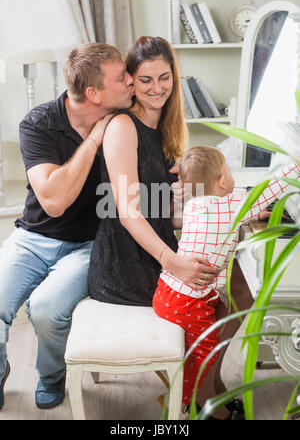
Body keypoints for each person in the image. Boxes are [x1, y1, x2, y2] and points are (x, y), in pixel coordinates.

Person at [0, 42, 135, 411]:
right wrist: (92, 139)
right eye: (121, 77)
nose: (131, 80)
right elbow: (54, 201)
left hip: (89, 244)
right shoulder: (38, 123)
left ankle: (51, 374)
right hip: (32, 237)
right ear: (94, 94)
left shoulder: (126, 123)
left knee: (45, 309)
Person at [153, 145, 300, 419]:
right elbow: (272, 189)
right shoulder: (234, 206)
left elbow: (230, 214)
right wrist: (297, 164)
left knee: (205, 350)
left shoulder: (197, 204)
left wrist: (253, 212)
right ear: (222, 181)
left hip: (169, 292)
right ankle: (203, 405)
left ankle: (207, 392)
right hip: (188, 303)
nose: (231, 176)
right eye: (229, 172)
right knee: (204, 356)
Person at [88, 36, 219, 310]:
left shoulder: (168, 134)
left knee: (236, 285)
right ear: (131, 82)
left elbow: (169, 218)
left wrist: (185, 198)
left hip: (158, 255)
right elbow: (129, 213)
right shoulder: (123, 126)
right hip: (125, 268)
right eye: (146, 79)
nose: (157, 88)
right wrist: (174, 262)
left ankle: (203, 355)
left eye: (164, 77)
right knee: (226, 293)